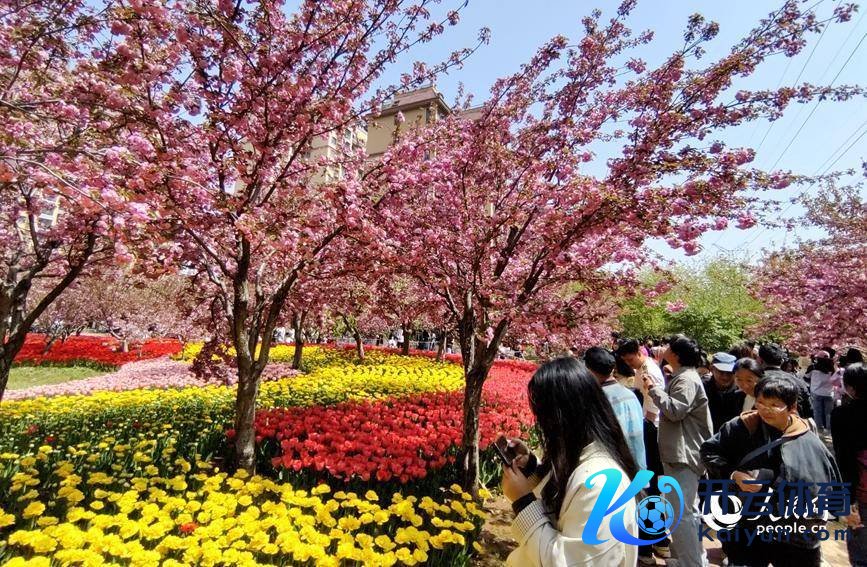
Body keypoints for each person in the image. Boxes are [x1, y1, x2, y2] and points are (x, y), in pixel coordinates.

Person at [501, 357, 639, 566]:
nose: (541, 425)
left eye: (542, 416)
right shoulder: (584, 457)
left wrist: (523, 502)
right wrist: (531, 467)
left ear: (561, 418)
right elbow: (564, 497)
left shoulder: (602, 486)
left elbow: (569, 561)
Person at [701, 375, 841, 567]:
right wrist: (734, 474)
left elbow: (827, 478)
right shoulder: (742, 427)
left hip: (793, 530)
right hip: (749, 522)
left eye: (775, 405)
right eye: (760, 403)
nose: (765, 410)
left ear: (792, 407)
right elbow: (709, 451)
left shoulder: (807, 438)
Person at [642, 335, 713, 567]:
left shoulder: (686, 380)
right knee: (687, 511)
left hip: (684, 455)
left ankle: (689, 562)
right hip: (682, 453)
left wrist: (653, 389)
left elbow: (675, 411)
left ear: (676, 354)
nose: (664, 349)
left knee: (681, 513)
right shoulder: (683, 377)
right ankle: (694, 558)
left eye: (669, 347)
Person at [584, 346, 647, 469]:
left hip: (617, 469)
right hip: (638, 465)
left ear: (589, 371)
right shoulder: (630, 394)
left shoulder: (599, 400)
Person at [831, 363, 867, 566]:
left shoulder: (842, 415)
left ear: (851, 388)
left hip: (860, 491)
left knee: (860, 550)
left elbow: (843, 458)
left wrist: (845, 499)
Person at [758, 343, 813, 420]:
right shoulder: (799, 382)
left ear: (760, 360)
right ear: (782, 361)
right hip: (795, 423)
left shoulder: (755, 381)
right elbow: (809, 412)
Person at [618, 338, 666, 423]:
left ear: (639, 353)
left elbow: (654, 404)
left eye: (630, 360)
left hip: (653, 422)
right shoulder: (642, 366)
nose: (628, 363)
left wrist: (648, 425)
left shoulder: (649, 372)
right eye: (625, 360)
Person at [703, 352, 745, 432]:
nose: (725, 377)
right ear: (712, 369)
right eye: (721, 372)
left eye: (729, 373)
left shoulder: (742, 390)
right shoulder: (703, 388)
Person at [805, 350, 836, 434]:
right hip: (829, 393)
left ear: (818, 358)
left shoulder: (813, 367)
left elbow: (806, 377)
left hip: (816, 392)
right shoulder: (832, 368)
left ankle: (819, 429)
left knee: (817, 411)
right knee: (828, 413)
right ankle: (829, 430)